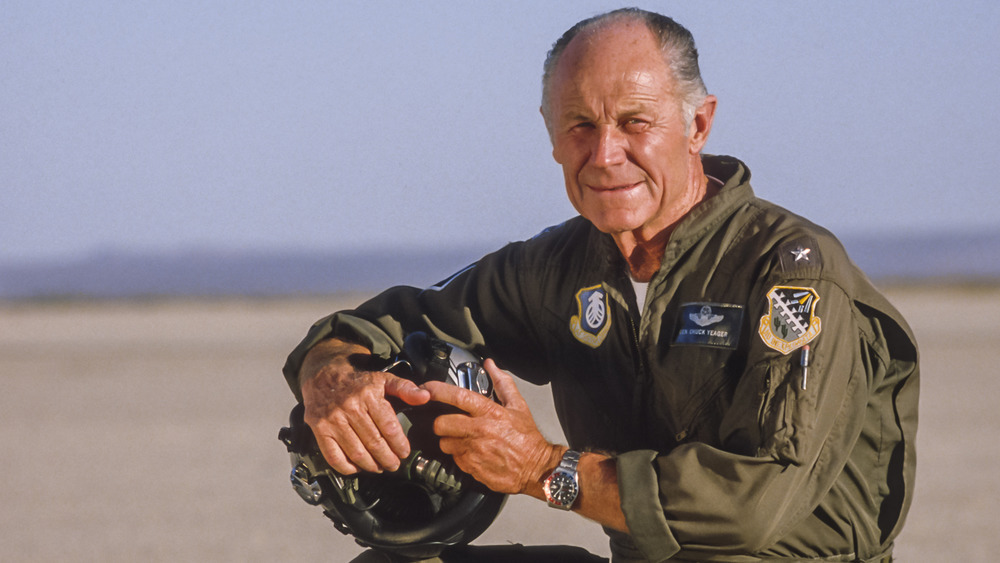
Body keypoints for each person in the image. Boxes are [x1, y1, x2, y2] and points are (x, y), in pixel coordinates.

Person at [282, 8, 919, 562]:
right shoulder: (559, 266)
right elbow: (396, 323)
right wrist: (332, 377)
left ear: (698, 125)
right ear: (551, 133)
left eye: (635, 122)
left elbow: (752, 505)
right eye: (580, 125)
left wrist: (541, 469)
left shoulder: (791, 273)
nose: (605, 154)